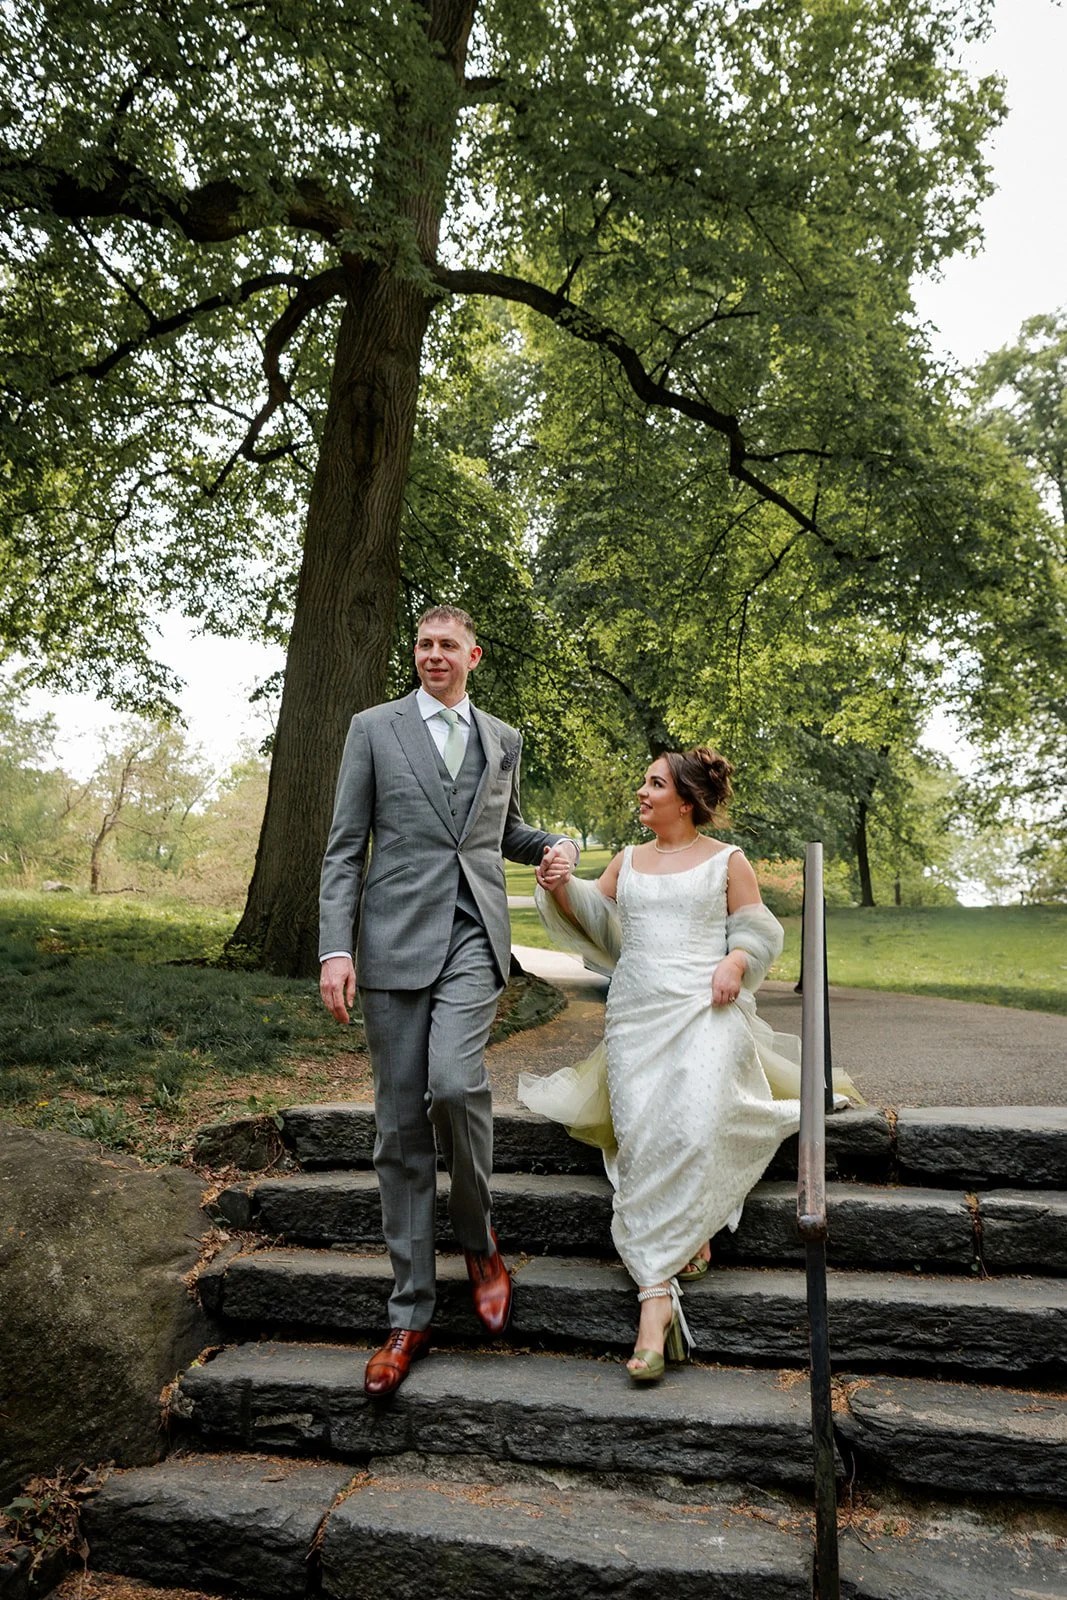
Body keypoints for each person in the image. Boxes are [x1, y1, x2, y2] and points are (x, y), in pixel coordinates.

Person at [524, 747, 853, 1383]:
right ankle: (681, 1250)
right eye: (644, 782)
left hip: (707, 1008)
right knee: (645, 1137)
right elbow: (597, 925)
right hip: (637, 1017)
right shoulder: (626, 860)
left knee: (698, 1123)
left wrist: (735, 964)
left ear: (686, 798)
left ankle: (653, 1303)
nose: (641, 792)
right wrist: (562, 886)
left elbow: (759, 932)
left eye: (654, 783)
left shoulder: (728, 861)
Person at [319, 604, 578, 1397]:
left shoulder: (503, 739)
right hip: (393, 940)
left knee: (456, 1085)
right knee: (400, 1128)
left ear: (473, 654)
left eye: (445, 646)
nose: (432, 656)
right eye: (422, 645)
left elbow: (504, 830)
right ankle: (409, 1314)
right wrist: (336, 947)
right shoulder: (372, 728)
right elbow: (342, 847)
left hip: (474, 935)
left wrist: (553, 846)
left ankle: (477, 1238)